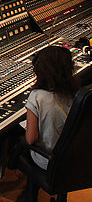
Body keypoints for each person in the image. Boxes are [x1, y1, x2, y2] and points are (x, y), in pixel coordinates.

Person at [19, 45, 79, 201]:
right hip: (74, 159)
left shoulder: (37, 97)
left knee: (20, 145)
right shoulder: (76, 94)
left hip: (50, 161)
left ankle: (29, 196)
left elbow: (31, 139)